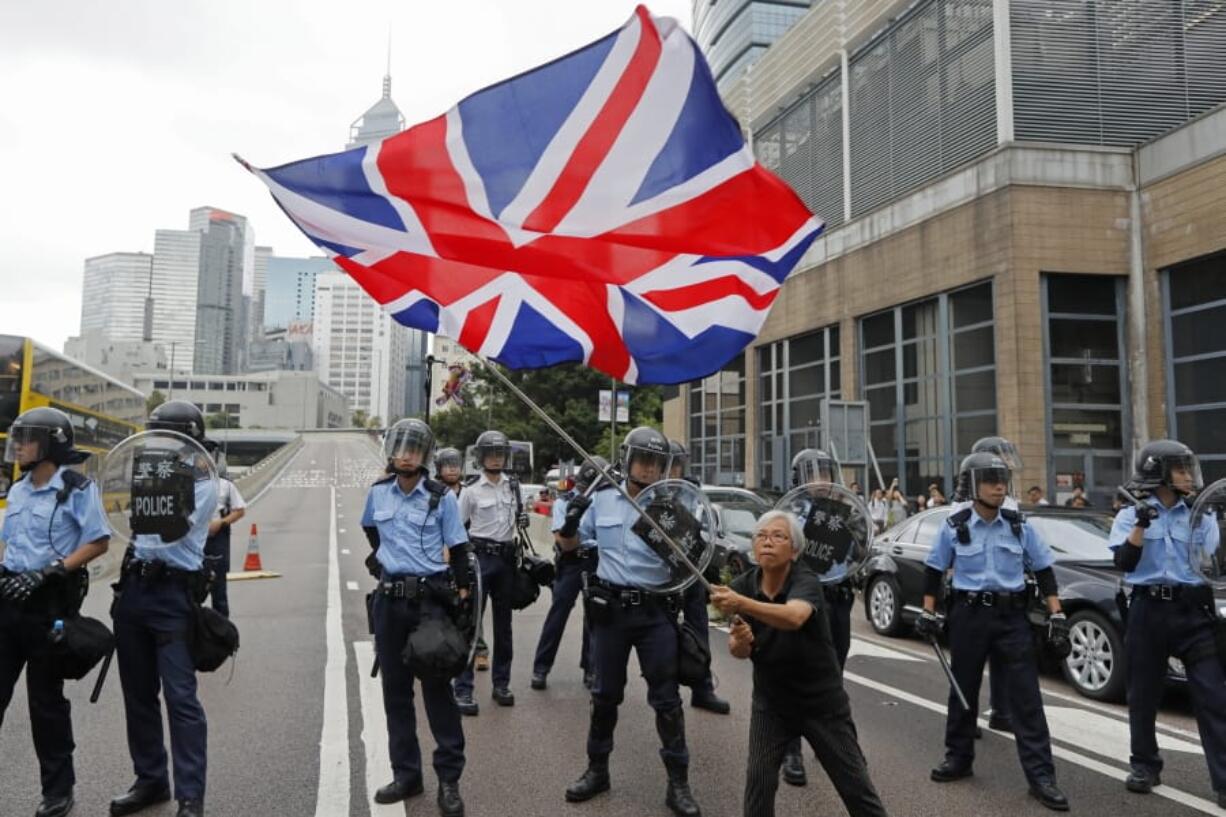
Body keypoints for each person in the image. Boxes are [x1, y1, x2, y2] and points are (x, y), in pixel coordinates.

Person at [917, 452, 1071, 811]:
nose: (999, 486)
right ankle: (958, 759)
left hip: (1011, 618)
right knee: (963, 688)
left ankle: (1041, 777)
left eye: (1002, 479)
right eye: (990, 480)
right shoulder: (955, 525)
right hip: (968, 616)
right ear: (972, 485)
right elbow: (934, 570)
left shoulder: (1019, 524)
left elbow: (1045, 570)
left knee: (1027, 697)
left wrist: (1058, 615)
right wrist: (928, 612)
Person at [559, 426, 701, 817]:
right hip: (612, 612)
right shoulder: (602, 499)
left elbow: (694, 564)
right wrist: (569, 526)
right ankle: (597, 769)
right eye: (643, 460)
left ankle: (679, 784)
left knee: (667, 699)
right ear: (627, 459)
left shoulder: (671, 506)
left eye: (657, 463)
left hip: (656, 613)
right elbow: (569, 549)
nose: (649, 469)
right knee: (605, 694)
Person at [710, 511, 889, 817]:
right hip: (771, 704)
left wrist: (742, 604)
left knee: (857, 789)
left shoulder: (806, 581)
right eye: (761, 536)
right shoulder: (743, 584)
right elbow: (739, 650)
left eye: (778, 536)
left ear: (794, 549)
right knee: (759, 785)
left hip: (822, 705)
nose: (767, 542)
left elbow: (794, 617)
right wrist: (740, 640)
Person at [0, 407, 111, 817]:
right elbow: (10, 543)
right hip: (9, 606)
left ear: (49, 445)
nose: (18, 445)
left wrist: (51, 570)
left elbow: (98, 542)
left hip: (49, 609)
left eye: (25, 438)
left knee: (45, 705)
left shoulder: (78, 488)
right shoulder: (18, 490)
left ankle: (58, 792)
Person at [110, 400, 219, 817]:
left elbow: (174, 524)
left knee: (181, 698)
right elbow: (129, 522)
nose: (157, 444)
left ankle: (190, 795)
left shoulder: (205, 481)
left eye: (166, 435)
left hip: (173, 593)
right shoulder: (147, 475)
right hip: (135, 588)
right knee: (138, 694)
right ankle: (151, 779)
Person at [361, 419, 471, 816]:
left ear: (425, 455)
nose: (405, 454)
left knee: (438, 691)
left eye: (413, 448)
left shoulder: (442, 498)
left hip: (430, 605)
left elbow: (458, 551)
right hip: (390, 605)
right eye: (400, 447)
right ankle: (407, 774)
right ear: (391, 451)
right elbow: (371, 530)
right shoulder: (377, 494)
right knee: (395, 693)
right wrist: (386, 562)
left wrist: (461, 603)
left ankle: (449, 780)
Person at [1108, 440, 1225, 808]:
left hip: (1192, 612)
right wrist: (1141, 523)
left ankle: (1223, 780)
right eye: (1182, 469)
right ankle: (1144, 765)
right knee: (1142, 695)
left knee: (1213, 696)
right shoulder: (1130, 515)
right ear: (1159, 474)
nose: (1190, 477)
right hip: (1148, 612)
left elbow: (1214, 566)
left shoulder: (1199, 516)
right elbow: (1125, 562)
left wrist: (1220, 518)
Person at [777, 448, 858, 788]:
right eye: (813, 474)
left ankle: (837, 745)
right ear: (799, 479)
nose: (821, 481)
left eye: (825, 473)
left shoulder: (846, 513)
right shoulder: (787, 515)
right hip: (804, 599)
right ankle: (791, 750)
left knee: (833, 673)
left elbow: (859, 553)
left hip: (837, 601)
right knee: (796, 671)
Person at [453, 429, 522, 714]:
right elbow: (456, 530)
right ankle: (463, 689)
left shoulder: (513, 486)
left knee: (504, 628)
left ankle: (501, 684)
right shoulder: (470, 490)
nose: (495, 459)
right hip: (480, 558)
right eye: (490, 454)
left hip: (506, 560)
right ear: (481, 458)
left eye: (499, 453)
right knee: (471, 625)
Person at [530, 459, 606, 691]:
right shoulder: (565, 501)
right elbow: (562, 540)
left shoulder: (604, 500)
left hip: (597, 559)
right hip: (572, 561)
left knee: (595, 615)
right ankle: (541, 668)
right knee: (558, 613)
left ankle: (591, 668)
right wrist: (573, 522)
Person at [669, 439, 729, 715]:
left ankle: (703, 687)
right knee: (660, 634)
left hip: (691, 571)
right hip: (660, 574)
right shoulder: (647, 493)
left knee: (699, 630)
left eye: (678, 464)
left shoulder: (693, 492)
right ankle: (667, 692)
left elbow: (706, 526)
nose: (674, 470)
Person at [200, 445, 245, 618]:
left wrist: (221, 522)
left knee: (219, 592)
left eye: (207, 457)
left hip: (216, 540)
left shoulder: (225, 485)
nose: (203, 462)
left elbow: (239, 510)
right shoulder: (186, 484)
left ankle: (221, 634)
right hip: (192, 541)